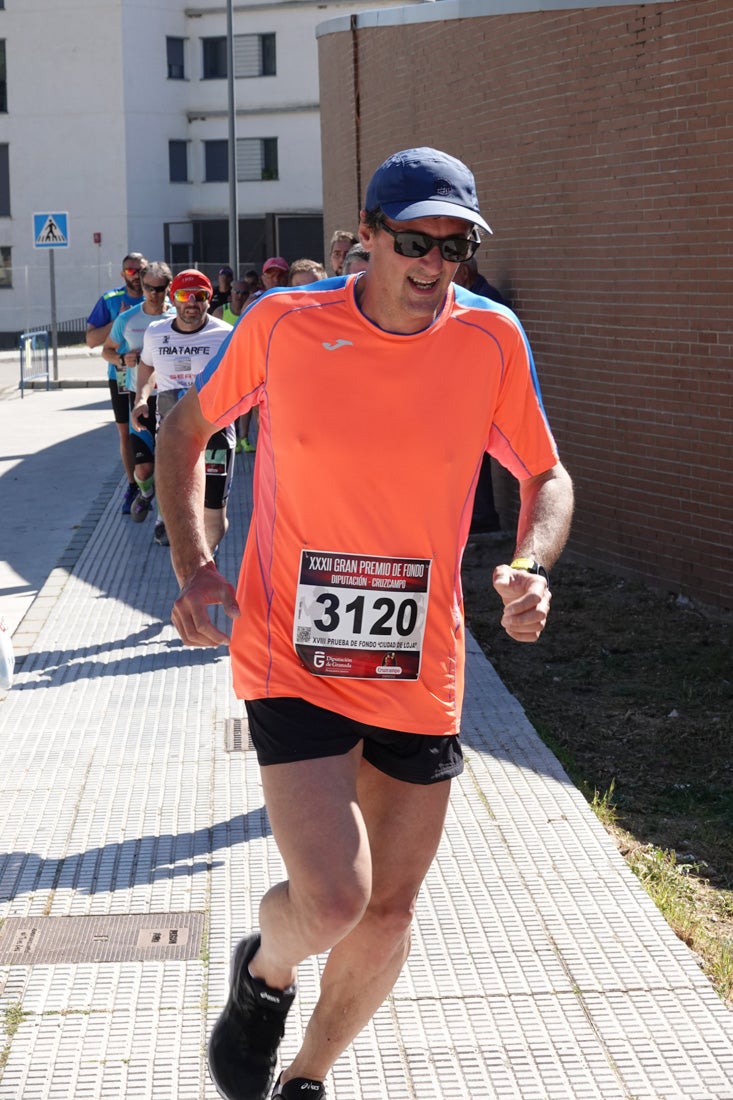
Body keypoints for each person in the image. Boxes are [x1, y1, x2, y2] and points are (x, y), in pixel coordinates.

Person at [155, 146, 574, 1100]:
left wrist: (530, 565)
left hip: (417, 663)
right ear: (367, 240)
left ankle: (306, 1077)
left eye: (454, 246)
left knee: (386, 915)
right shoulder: (283, 324)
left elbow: (542, 473)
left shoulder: (491, 340)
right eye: (414, 241)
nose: (433, 264)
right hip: (290, 653)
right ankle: (265, 970)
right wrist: (195, 568)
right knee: (335, 899)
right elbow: (186, 430)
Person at [133, 269, 235, 555]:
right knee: (178, 503)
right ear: (172, 299)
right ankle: (191, 570)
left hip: (214, 432)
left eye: (200, 296)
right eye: (183, 295)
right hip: (171, 431)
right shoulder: (156, 332)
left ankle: (205, 560)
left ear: (209, 299)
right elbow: (147, 367)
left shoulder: (225, 335)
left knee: (212, 513)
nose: (192, 302)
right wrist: (141, 399)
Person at [101, 262, 174, 544]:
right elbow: (107, 350)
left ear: (168, 288)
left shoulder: (176, 317)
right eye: (148, 288)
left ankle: (161, 521)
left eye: (160, 289)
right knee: (144, 469)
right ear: (140, 287)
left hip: (170, 398)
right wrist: (123, 359)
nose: (154, 294)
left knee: (167, 465)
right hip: (140, 400)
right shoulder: (128, 319)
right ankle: (145, 492)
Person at [86, 252, 147, 513]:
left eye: (141, 270)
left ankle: (156, 484)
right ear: (123, 274)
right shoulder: (111, 300)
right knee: (126, 433)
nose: (136, 275)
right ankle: (133, 484)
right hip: (121, 375)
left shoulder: (157, 296)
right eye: (131, 271)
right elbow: (91, 340)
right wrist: (117, 320)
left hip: (154, 376)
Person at [213, 280, 257, 454]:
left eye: (244, 293)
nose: (239, 296)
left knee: (248, 402)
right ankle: (233, 435)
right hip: (227, 365)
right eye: (237, 292)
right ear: (230, 293)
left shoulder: (252, 311)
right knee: (230, 402)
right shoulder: (220, 312)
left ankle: (244, 438)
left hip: (248, 362)